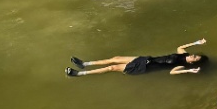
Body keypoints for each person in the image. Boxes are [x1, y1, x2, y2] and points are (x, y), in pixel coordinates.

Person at [67, 41, 208, 77]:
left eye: (194, 58)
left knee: (112, 68)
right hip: (145, 59)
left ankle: (79, 74)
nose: (192, 56)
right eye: (194, 54)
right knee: (115, 58)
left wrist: (189, 71)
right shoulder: (182, 54)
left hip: (143, 68)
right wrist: (196, 43)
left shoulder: (181, 65)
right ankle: (84, 63)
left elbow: (172, 73)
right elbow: (181, 46)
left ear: (193, 62)